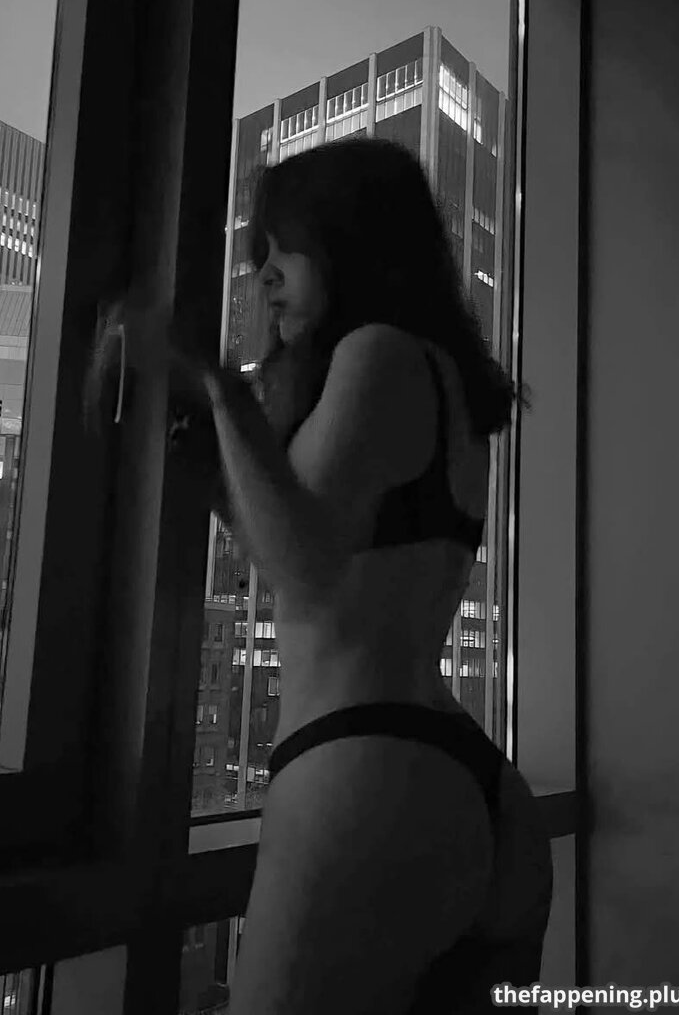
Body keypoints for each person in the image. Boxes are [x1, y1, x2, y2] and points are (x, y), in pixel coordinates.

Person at [88, 137, 553, 1014]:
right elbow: (327, 543)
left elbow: (303, 570)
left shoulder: (378, 354)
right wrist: (219, 465)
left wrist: (218, 385)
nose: (263, 275)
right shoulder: (439, 379)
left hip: (364, 780)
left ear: (348, 243)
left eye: (282, 249)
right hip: (468, 788)